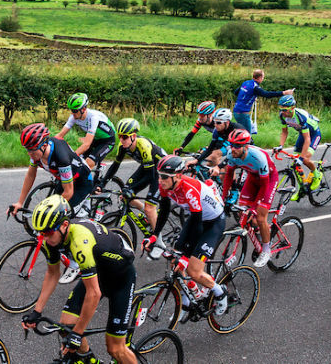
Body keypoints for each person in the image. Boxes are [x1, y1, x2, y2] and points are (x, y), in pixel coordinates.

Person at [22, 195, 138, 364]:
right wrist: (36, 312)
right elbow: (52, 274)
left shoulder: (80, 242)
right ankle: (91, 361)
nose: (44, 238)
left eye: (48, 233)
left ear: (65, 225)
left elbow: (94, 293)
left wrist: (78, 333)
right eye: (41, 233)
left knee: (115, 349)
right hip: (98, 272)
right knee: (65, 326)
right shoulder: (52, 239)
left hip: (121, 278)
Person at [10, 123, 95, 284]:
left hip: (81, 184)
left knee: (62, 221)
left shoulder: (60, 157)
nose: (29, 153)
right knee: (51, 219)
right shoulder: (36, 152)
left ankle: (76, 263)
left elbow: (69, 192)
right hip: (64, 181)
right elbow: (30, 175)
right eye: (27, 149)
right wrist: (20, 202)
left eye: (31, 149)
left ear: (43, 145)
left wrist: (54, 212)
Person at [152, 155, 229, 317]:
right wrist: (154, 236)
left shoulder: (189, 190)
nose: (160, 180)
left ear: (178, 176)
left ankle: (219, 292)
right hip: (196, 219)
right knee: (176, 264)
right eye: (159, 175)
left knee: (194, 271)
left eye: (164, 176)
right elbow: (164, 211)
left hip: (213, 223)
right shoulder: (165, 185)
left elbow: (197, 225)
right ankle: (186, 303)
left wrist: (187, 256)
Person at [100, 118, 169, 259]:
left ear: (133, 136)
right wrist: (102, 183)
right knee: (126, 197)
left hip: (161, 171)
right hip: (147, 167)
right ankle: (152, 217)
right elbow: (115, 166)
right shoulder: (122, 146)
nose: (122, 140)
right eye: (119, 136)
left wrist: (132, 190)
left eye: (124, 137)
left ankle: (160, 244)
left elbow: (151, 176)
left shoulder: (143, 145)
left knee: (149, 207)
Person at [219, 129, 278, 267]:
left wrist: (254, 207)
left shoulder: (258, 157)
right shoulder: (231, 154)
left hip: (268, 181)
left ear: (246, 147)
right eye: (231, 144)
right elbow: (228, 176)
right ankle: (260, 231)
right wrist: (222, 197)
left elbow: (264, 186)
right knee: (242, 213)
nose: (233, 148)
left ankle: (266, 250)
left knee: (260, 217)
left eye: (237, 146)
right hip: (252, 178)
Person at [277, 95, 322, 197]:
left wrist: (301, 158)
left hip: (314, 134)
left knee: (305, 159)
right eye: (281, 109)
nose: (282, 112)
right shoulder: (283, 116)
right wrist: (280, 146)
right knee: (295, 162)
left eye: (284, 110)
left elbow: (308, 139)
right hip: (303, 134)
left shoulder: (300, 117)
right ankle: (302, 188)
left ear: (292, 108)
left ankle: (317, 175)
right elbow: (284, 132)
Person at [56, 93, 116, 170]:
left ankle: (88, 179)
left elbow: (87, 144)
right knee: (77, 163)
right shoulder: (74, 116)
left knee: (87, 164)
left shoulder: (93, 117)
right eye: (71, 110)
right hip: (96, 139)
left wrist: (72, 156)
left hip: (108, 141)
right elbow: (60, 135)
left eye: (74, 110)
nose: (72, 113)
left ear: (83, 109)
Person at [233, 69, 294, 134]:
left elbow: (236, 93)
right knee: (247, 135)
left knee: (241, 133)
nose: (263, 79)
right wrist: (284, 93)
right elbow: (267, 94)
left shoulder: (246, 83)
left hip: (236, 111)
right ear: (259, 77)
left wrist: (251, 96)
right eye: (263, 77)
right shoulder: (255, 87)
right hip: (243, 113)